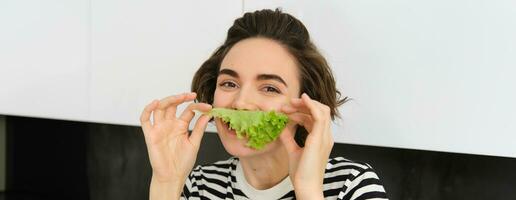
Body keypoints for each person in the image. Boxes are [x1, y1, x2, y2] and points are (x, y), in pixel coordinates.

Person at [140, 9, 388, 200]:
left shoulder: (351, 185)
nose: (241, 103)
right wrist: (166, 183)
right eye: (229, 83)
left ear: (305, 105)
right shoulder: (200, 185)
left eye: (270, 88)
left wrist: (309, 190)